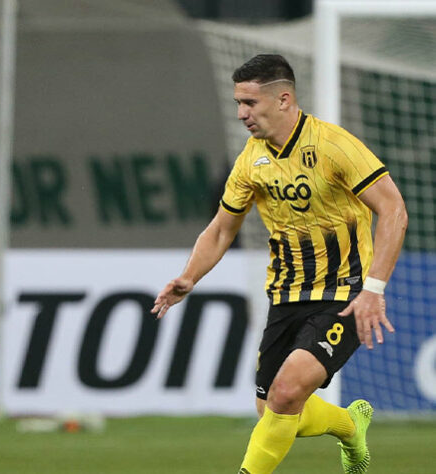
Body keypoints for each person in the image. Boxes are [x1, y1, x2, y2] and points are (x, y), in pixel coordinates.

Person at [151, 54, 407, 474]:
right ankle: (348, 425)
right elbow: (220, 229)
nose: (241, 114)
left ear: (284, 99)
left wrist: (374, 289)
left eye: (250, 103)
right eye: (239, 103)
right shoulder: (251, 160)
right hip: (286, 294)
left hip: (343, 292)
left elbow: (393, 210)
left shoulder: (334, 145)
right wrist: (188, 277)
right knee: (272, 408)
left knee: (286, 392)